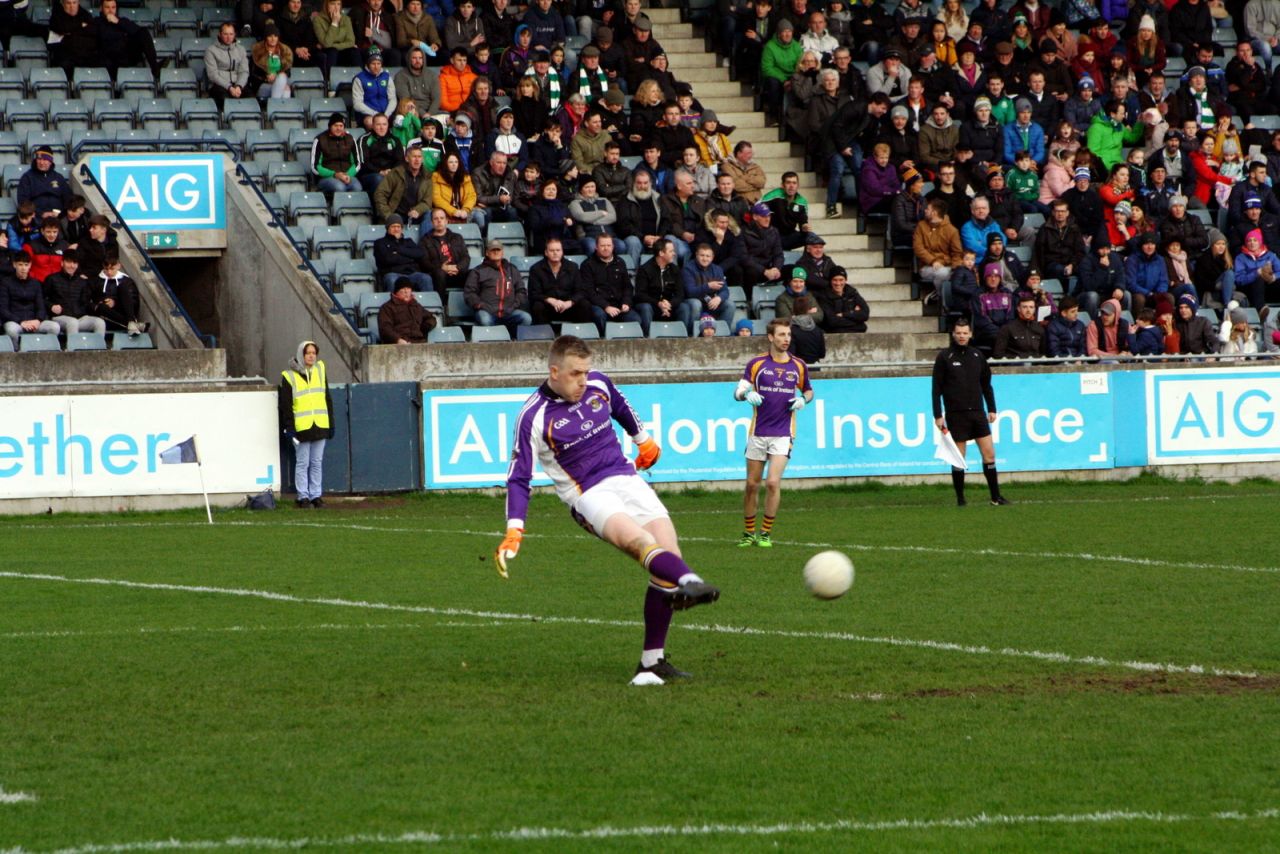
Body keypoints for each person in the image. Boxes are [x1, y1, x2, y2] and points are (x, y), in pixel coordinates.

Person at [496, 335, 721, 685]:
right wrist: (515, 528)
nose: (583, 380)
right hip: (587, 493)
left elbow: (620, 405)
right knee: (638, 542)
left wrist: (642, 438)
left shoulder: (598, 383)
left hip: (626, 478)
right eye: (575, 374)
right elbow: (518, 477)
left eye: (585, 372)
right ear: (554, 371)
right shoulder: (533, 417)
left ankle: (651, 663)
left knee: (667, 555)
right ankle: (691, 581)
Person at [734, 317, 815, 547]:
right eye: (781, 335)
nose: (786, 339)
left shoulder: (798, 365)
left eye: (788, 335)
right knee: (752, 484)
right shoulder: (757, 364)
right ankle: (749, 534)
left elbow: (809, 390)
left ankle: (765, 534)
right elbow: (738, 390)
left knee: (772, 482)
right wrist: (745, 395)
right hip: (758, 431)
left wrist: (803, 400)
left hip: (783, 432)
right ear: (771, 337)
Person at [931, 318, 1009, 507]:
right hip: (956, 414)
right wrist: (938, 415)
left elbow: (986, 385)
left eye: (965, 333)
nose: (962, 336)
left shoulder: (977, 356)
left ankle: (995, 497)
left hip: (977, 413)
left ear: (970, 334)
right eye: (958, 333)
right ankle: (960, 499)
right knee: (959, 458)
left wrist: (991, 408)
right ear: (953, 334)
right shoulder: (944, 357)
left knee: (989, 454)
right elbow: (936, 388)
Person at [279, 341, 334, 509]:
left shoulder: (320, 369)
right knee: (303, 463)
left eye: (313, 353)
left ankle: (316, 495)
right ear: (301, 355)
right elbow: (286, 405)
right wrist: (290, 427)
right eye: (307, 353)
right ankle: (303, 496)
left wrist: (331, 423)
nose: (311, 356)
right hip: (301, 426)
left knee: (317, 462)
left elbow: (327, 397)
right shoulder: (289, 376)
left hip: (320, 423)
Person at [464, 240, 531, 334]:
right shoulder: (478, 271)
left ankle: (514, 342)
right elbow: (469, 293)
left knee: (526, 318)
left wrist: (514, 305)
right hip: (487, 312)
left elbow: (521, 291)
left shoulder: (512, 269)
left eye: (498, 250)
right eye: (493, 250)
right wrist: (480, 305)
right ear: (487, 252)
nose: (496, 252)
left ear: (502, 252)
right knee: (485, 320)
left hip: (509, 312)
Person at [1, 254, 61, 347]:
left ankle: (45, 352)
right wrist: (21, 321)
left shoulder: (35, 283)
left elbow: (41, 306)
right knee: (11, 330)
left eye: (26, 265)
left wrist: (38, 320)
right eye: (20, 264)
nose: (23, 268)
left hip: (34, 321)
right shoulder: (6, 283)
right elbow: (3, 309)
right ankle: (16, 354)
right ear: (14, 265)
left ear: (30, 265)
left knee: (54, 327)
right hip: (15, 321)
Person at [528, 238, 592, 326]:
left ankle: (581, 334)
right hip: (548, 306)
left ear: (562, 252)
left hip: (568, 306)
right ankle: (543, 335)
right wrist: (551, 300)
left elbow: (581, 291)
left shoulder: (573, 267)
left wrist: (570, 302)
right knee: (538, 306)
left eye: (558, 250)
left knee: (584, 304)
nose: (555, 253)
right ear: (546, 252)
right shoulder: (536, 269)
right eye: (552, 250)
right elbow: (534, 293)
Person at [632, 238, 683, 335]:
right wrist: (658, 303)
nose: (674, 254)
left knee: (685, 307)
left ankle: (680, 336)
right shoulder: (645, 269)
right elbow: (640, 295)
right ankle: (648, 338)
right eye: (671, 251)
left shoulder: (675, 269)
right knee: (645, 308)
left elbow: (680, 294)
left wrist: (669, 304)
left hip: (669, 305)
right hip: (652, 305)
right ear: (661, 253)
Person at [373, 214, 432, 292]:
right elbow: (387, 260)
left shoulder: (408, 241)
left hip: (412, 273)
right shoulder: (380, 243)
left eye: (398, 227)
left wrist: (398, 251)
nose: (396, 229)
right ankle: (392, 303)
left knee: (426, 278)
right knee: (391, 280)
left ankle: (428, 304)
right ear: (387, 228)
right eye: (393, 226)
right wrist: (409, 257)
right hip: (392, 273)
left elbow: (419, 254)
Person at [91, 254, 146, 336]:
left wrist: (115, 303)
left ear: (118, 266)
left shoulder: (127, 281)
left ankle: (131, 322)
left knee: (123, 287)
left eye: (112, 269)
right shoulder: (96, 281)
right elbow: (90, 299)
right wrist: (99, 304)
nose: (109, 272)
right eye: (106, 269)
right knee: (102, 308)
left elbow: (134, 302)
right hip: (105, 315)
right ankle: (132, 324)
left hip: (122, 312)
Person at [420, 208, 471, 296]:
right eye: (436, 219)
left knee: (474, 273)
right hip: (438, 275)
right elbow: (424, 262)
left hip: (457, 272)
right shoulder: (425, 240)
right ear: (432, 222)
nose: (439, 221)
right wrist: (442, 267)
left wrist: (457, 267)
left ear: (447, 221)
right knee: (440, 273)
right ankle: (441, 306)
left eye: (442, 218)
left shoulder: (457, 237)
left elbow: (466, 257)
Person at [377, 277, 438, 344]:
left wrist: (423, 328)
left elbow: (431, 318)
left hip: (419, 342)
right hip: (399, 344)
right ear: (396, 291)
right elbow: (385, 328)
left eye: (408, 288)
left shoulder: (416, 306)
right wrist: (398, 339)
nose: (406, 291)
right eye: (403, 289)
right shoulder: (387, 308)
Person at [206, 22, 251, 110]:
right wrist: (229, 87)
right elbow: (213, 75)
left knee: (251, 98)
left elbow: (244, 71)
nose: (228, 37)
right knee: (225, 100)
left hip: (237, 83)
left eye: (231, 34)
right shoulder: (211, 50)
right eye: (225, 34)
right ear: (220, 34)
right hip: (219, 85)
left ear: (234, 35)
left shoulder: (241, 49)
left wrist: (239, 86)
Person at [311, 114, 360, 195]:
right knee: (340, 188)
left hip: (347, 174)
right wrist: (335, 174)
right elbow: (315, 167)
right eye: (335, 125)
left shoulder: (350, 139)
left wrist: (347, 175)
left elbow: (357, 163)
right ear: (330, 126)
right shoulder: (320, 140)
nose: (338, 128)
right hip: (327, 177)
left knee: (357, 188)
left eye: (341, 126)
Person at [17, 148, 72, 220]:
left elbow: (68, 198)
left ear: (50, 162)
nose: (41, 162)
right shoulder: (27, 177)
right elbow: (23, 201)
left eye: (45, 160)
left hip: (58, 217)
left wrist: (61, 213)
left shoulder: (58, 177)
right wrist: (40, 213)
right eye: (39, 159)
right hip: (36, 218)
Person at [992, 292, 1046, 358]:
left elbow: (1044, 353)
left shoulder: (1039, 328)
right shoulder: (1007, 328)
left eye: (1031, 307)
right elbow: (998, 354)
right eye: (1025, 307)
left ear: (1034, 309)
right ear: (1018, 309)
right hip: (1015, 366)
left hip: (1036, 366)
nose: (1028, 310)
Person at [818, 267, 870, 333]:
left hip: (853, 329)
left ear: (846, 280)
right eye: (835, 280)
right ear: (830, 281)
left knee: (862, 327)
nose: (838, 283)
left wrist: (844, 314)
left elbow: (865, 314)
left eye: (841, 280)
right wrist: (856, 317)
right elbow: (832, 321)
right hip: (834, 331)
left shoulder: (852, 292)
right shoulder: (824, 296)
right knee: (861, 326)